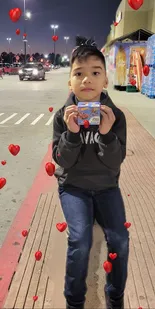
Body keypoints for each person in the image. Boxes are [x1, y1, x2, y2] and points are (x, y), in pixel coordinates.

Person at [52, 36, 129, 309]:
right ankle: (74, 301)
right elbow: (61, 160)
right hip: (73, 187)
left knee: (120, 237)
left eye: (95, 73)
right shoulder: (64, 116)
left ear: (105, 80)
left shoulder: (115, 116)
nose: (87, 80)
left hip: (107, 186)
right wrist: (72, 134)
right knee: (80, 238)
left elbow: (115, 163)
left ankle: (115, 295)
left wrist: (107, 135)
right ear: (69, 81)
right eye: (79, 74)